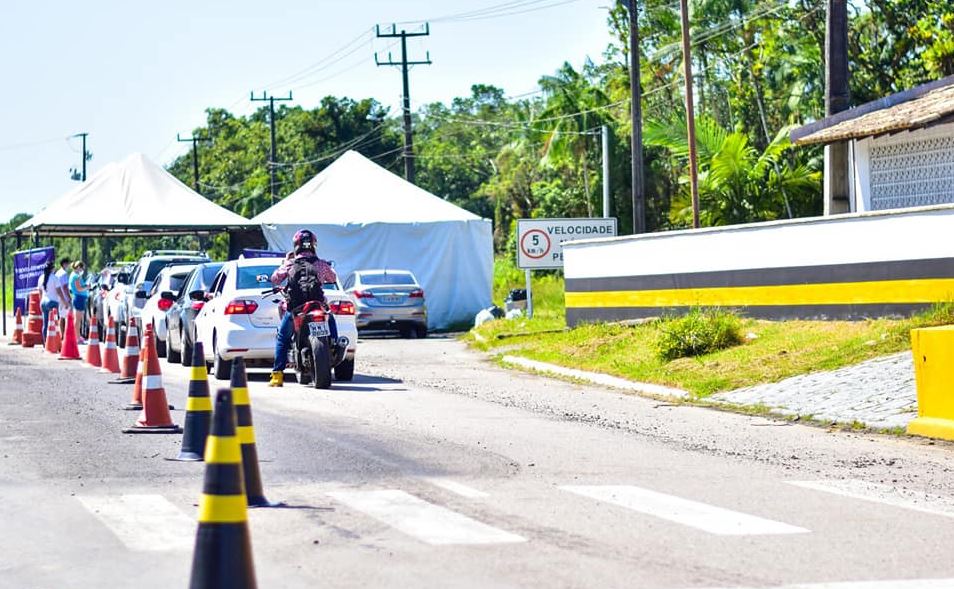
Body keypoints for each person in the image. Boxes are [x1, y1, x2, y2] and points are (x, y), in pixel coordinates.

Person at [267, 229, 337, 387]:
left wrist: (285, 262)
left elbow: (275, 279)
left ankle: (277, 376)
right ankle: (334, 344)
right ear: (313, 245)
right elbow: (333, 278)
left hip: (296, 308)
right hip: (317, 305)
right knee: (330, 317)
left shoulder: (290, 264)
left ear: (296, 245)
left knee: (282, 338)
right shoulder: (321, 264)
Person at [37, 261, 60, 341]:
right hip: (52, 302)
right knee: (54, 323)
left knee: (45, 324)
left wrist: (40, 302)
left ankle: (45, 342)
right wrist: (64, 301)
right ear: (52, 269)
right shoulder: (54, 278)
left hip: (43, 302)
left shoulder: (41, 278)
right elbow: (59, 291)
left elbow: (40, 292)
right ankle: (53, 342)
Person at [69, 261, 89, 343]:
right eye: (82, 268)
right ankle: (76, 337)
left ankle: (77, 336)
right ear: (79, 267)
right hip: (79, 298)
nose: (83, 270)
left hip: (79, 298)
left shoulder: (74, 275)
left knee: (78, 319)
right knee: (77, 320)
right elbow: (79, 288)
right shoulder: (76, 276)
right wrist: (87, 287)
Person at [53, 257, 72, 334]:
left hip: (58, 296)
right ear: (64, 264)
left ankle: (62, 333)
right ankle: (65, 333)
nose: (69, 266)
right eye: (68, 264)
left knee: (61, 316)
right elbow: (65, 287)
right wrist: (69, 297)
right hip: (64, 297)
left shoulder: (57, 273)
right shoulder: (64, 274)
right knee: (66, 316)